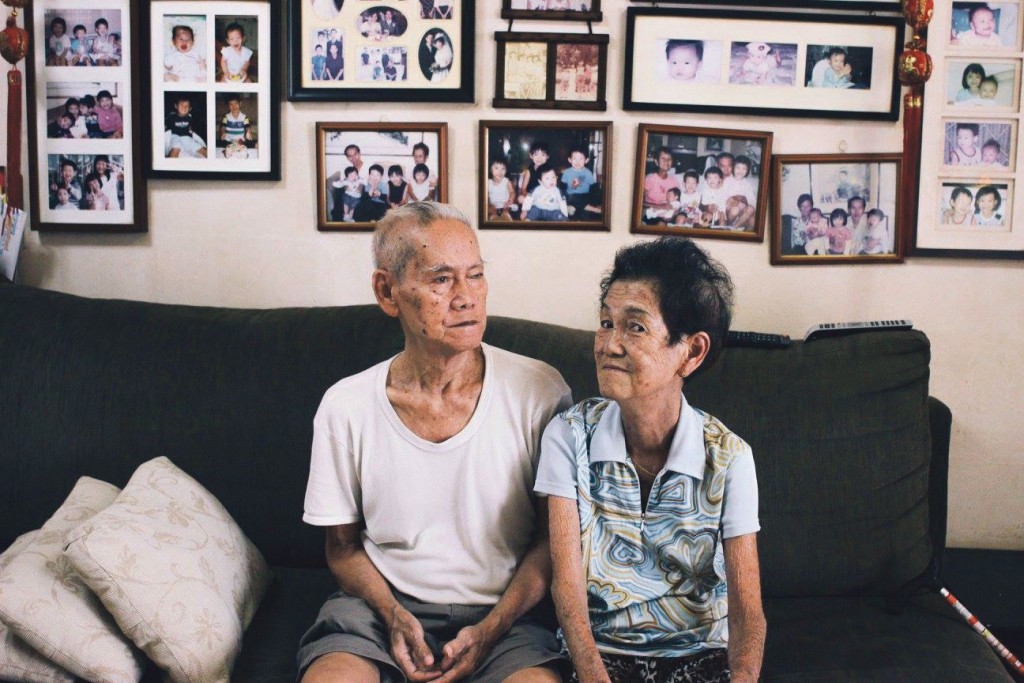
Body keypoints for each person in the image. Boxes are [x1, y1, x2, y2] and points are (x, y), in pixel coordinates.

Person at [297, 202, 572, 683]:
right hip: (379, 610)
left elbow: (555, 543)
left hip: (507, 617)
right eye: (441, 280)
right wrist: (392, 614)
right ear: (387, 291)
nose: (466, 298)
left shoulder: (541, 392)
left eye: (476, 276)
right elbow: (341, 549)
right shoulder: (346, 406)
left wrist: (491, 628)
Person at [538, 237, 764, 683]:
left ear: (692, 352)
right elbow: (567, 592)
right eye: (606, 322)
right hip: (596, 654)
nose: (609, 345)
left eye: (635, 328)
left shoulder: (729, 457)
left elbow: (748, 609)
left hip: (699, 656)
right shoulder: (568, 436)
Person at [642, 146, 681, 218]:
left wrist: (675, 211)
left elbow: (678, 203)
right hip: (650, 214)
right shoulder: (649, 179)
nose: (666, 161)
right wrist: (660, 206)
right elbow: (640, 203)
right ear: (656, 162)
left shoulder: (674, 181)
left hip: (667, 215)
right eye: (663, 158)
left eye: (669, 159)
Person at [561, 148, 597, 220]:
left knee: (585, 214)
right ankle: (593, 209)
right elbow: (563, 186)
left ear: (586, 160)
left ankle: (573, 207)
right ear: (570, 160)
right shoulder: (567, 172)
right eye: (574, 159)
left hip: (584, 195)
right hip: (571, 195)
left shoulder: (587, 172)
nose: (577, 162)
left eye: (581, 159)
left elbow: (593, 187)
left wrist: (593, 198)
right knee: (569, 198)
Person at [517, 141, 551, 206]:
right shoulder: (529, 171)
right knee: (520, 199)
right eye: (536, 154)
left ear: (547, 156)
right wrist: (529, 197)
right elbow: (523, 189)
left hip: (545, 196)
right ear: (531, 156)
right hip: (531, 195)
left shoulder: (549, 170)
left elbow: (552, 186)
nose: (539, 158)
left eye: (543, 155)